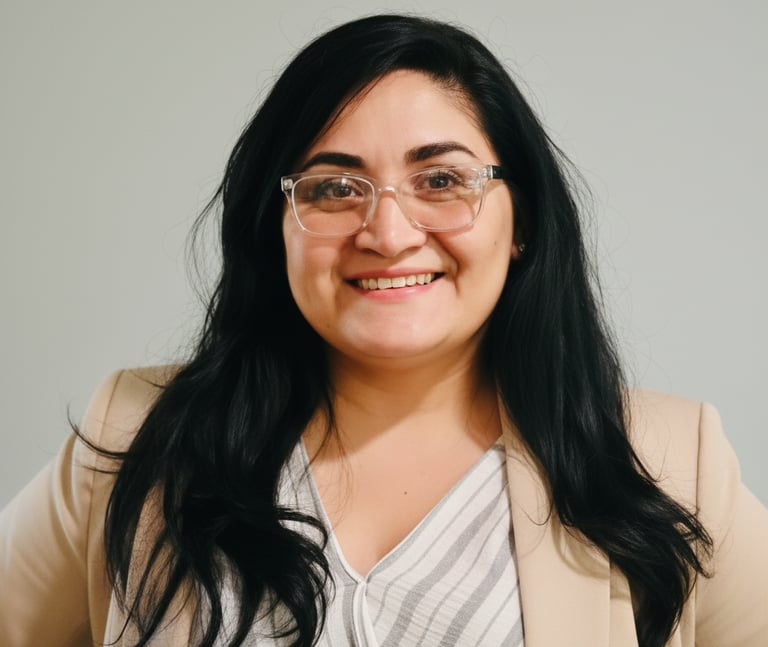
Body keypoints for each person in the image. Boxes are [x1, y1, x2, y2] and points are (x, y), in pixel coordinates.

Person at [1, 13, 766, 647]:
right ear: (277, 227)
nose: (389, 233)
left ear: (522, 220)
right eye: (335, 187)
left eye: (441, 180)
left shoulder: (670, 461)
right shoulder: (138, 434)